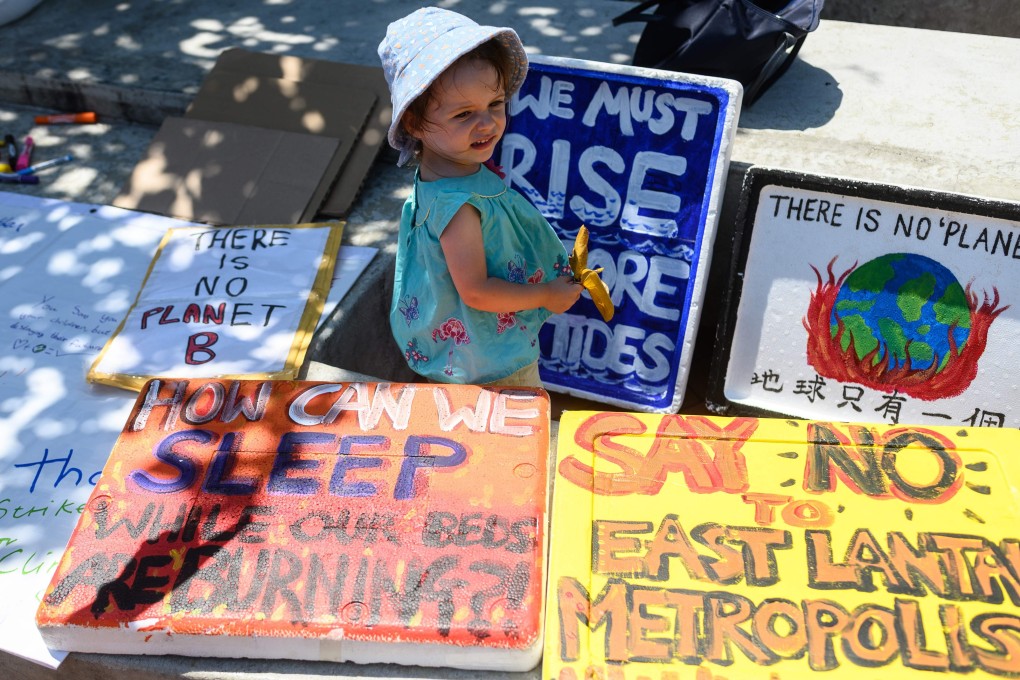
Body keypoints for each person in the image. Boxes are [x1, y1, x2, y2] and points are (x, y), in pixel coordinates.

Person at [378, 7, 581, 387]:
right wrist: (546, 295)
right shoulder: (458, 209)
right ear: (414, 123)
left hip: (472, 351)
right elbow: (476, 291)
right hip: (488, 366)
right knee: (510, 438)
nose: (486, 123)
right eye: (464, 114)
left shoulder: (452, 169)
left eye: (496, 104)